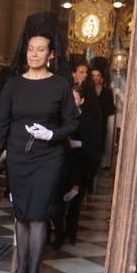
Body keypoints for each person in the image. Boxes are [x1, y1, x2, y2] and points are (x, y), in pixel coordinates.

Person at [0, 13, 79, 273]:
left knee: (38, 215)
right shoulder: (13, 85)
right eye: (31, 48)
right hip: (18, 158)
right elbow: (0, 124)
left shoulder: (60, 85)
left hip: (48, 159)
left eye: (41, 49)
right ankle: (22, 267)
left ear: (50, 54)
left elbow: (72, 122)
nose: (35, 53)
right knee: (22, 215)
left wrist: (53, 135)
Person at [55, 80, 101, 248]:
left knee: (75, 203)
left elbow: (93, 145)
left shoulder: (88, 121)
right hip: (63, 165)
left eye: (75, 98)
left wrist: (78, 145)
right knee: (58, 201)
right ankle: (58, 234)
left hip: (80, 165)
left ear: (81, 101)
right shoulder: (61, 118)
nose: (71, 102)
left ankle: (71, 233)